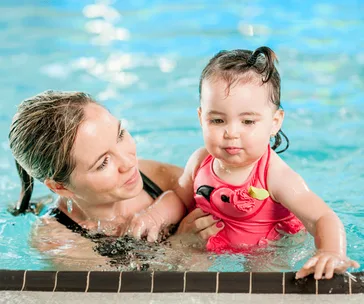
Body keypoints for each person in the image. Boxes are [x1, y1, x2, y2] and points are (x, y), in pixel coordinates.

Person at [129, 46, 360, 279]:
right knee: (181, 273)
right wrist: (155, 215)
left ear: (274, 122)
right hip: (209, 242)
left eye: (248, 121)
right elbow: (180, 197)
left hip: (266, 249)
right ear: (201, 118)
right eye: (217, 120)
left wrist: (331, 251)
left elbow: (322, 217)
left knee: (262, 278)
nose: (231, 132)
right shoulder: (200, 160)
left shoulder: (274, 174)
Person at [8, 90, 223, 270]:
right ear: (60, 187)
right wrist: (180, 246)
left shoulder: (156, 177)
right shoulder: (60, 241)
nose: (129, 163)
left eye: (120, 135)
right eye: (103, 163)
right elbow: (129, 295)